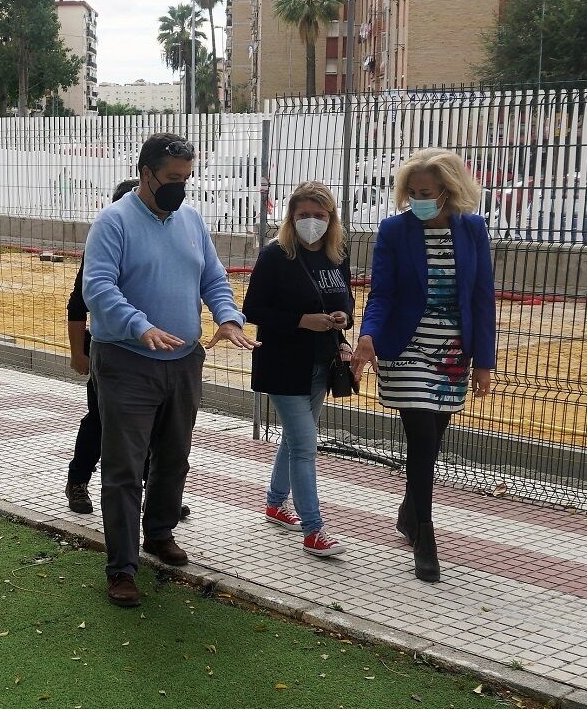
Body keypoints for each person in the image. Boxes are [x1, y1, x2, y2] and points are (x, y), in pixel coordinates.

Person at [82, 133, 258, 608]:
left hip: (183, 362)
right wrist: (140, 328)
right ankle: (121, 567)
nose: (181, 187)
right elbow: (97, 289)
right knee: (124, 468)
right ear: (146, 174)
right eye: (172, 179)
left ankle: (158, 533)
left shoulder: (191, 221)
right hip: (127, 362)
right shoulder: (113, 223)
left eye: (186, 178)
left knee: (174, 457)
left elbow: (213, 278)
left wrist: (227, 317)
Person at [350, 148, 496, 582]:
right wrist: (367, 335)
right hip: (406, 349)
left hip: (453, 352)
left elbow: (481, 298)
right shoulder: (395, 231)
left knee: (433, 438)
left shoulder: (472, 229)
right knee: (420, 439)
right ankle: (426, 537)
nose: (418, 199)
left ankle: (409, 512)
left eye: (426, 192)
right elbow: (383, 293)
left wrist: (484, 362)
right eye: (412, 192)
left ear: (448, 192)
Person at [243, 182, 354, 558]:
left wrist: (343, 318)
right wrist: (300, 321)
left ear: (331, 218)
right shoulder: (276, 256)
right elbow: (253, 309)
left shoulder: (336, 254)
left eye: (319, 216)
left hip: (322, 362)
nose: (312, 222)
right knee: (306, 446)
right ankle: (314, 530)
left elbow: (347, 301)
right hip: (283, 363)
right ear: (291, 217)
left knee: (294, 439)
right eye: (303, 215)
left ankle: (275, 502)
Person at [64, 178, 140, 514]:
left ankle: (155, 493)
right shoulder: (102, 248)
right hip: (107, 349)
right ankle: (78, 482)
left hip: (152, 352)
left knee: (152, 425)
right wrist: (78, 353)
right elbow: (77, 304)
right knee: (99, 419)